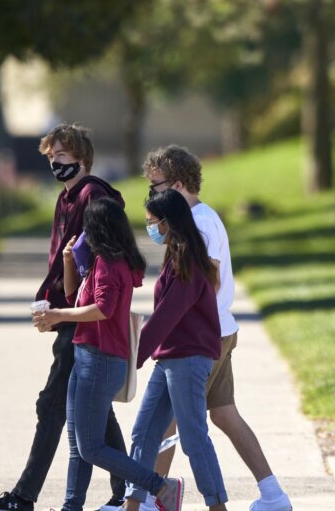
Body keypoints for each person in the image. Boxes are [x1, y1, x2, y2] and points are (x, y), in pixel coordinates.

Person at [0, 123, 129, 511]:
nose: (54, 162)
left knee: (52, 406)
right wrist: (49, 299)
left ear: (81, 158)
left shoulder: (93, 196)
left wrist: (60, 311)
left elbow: (96, 261)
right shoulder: (67, 197)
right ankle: (128, 492)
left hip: (81, 316)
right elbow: (63, 256)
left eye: (61, 155)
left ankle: (24, 498)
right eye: (51, 156)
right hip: (68, 312)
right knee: (95, 409)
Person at [140, 146, 292, 511]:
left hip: (202, 339)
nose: (151, 195)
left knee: (169, 421)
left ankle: (150, 499)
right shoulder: (196, 218)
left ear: (178, 185)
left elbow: (204, 283)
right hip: (220, 332)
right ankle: (273, 494)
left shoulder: (200, 223)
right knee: (223, 413)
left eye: (156, 186)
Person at [31, 197, 184, 511]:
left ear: (96, 227)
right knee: (78, 444)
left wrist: (57, 316)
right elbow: (77, 299)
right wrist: (69, 261)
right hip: (86, 356)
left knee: (92, 448)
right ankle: (71, 507)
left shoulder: (110, 264)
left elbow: (103, 309)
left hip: (100, 360)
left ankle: (160, 486)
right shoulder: (102, 260)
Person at [124, 189, 229, 511]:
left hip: (187, 359)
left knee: (195, 439)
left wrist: (131, 359)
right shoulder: (177, 256)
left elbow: (166, 316)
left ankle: (217, 506)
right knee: (143, 434)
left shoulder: (188, 263)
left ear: (169, 223)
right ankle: (131, 504)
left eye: (152, 222)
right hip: (170, 358)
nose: (150, 229)